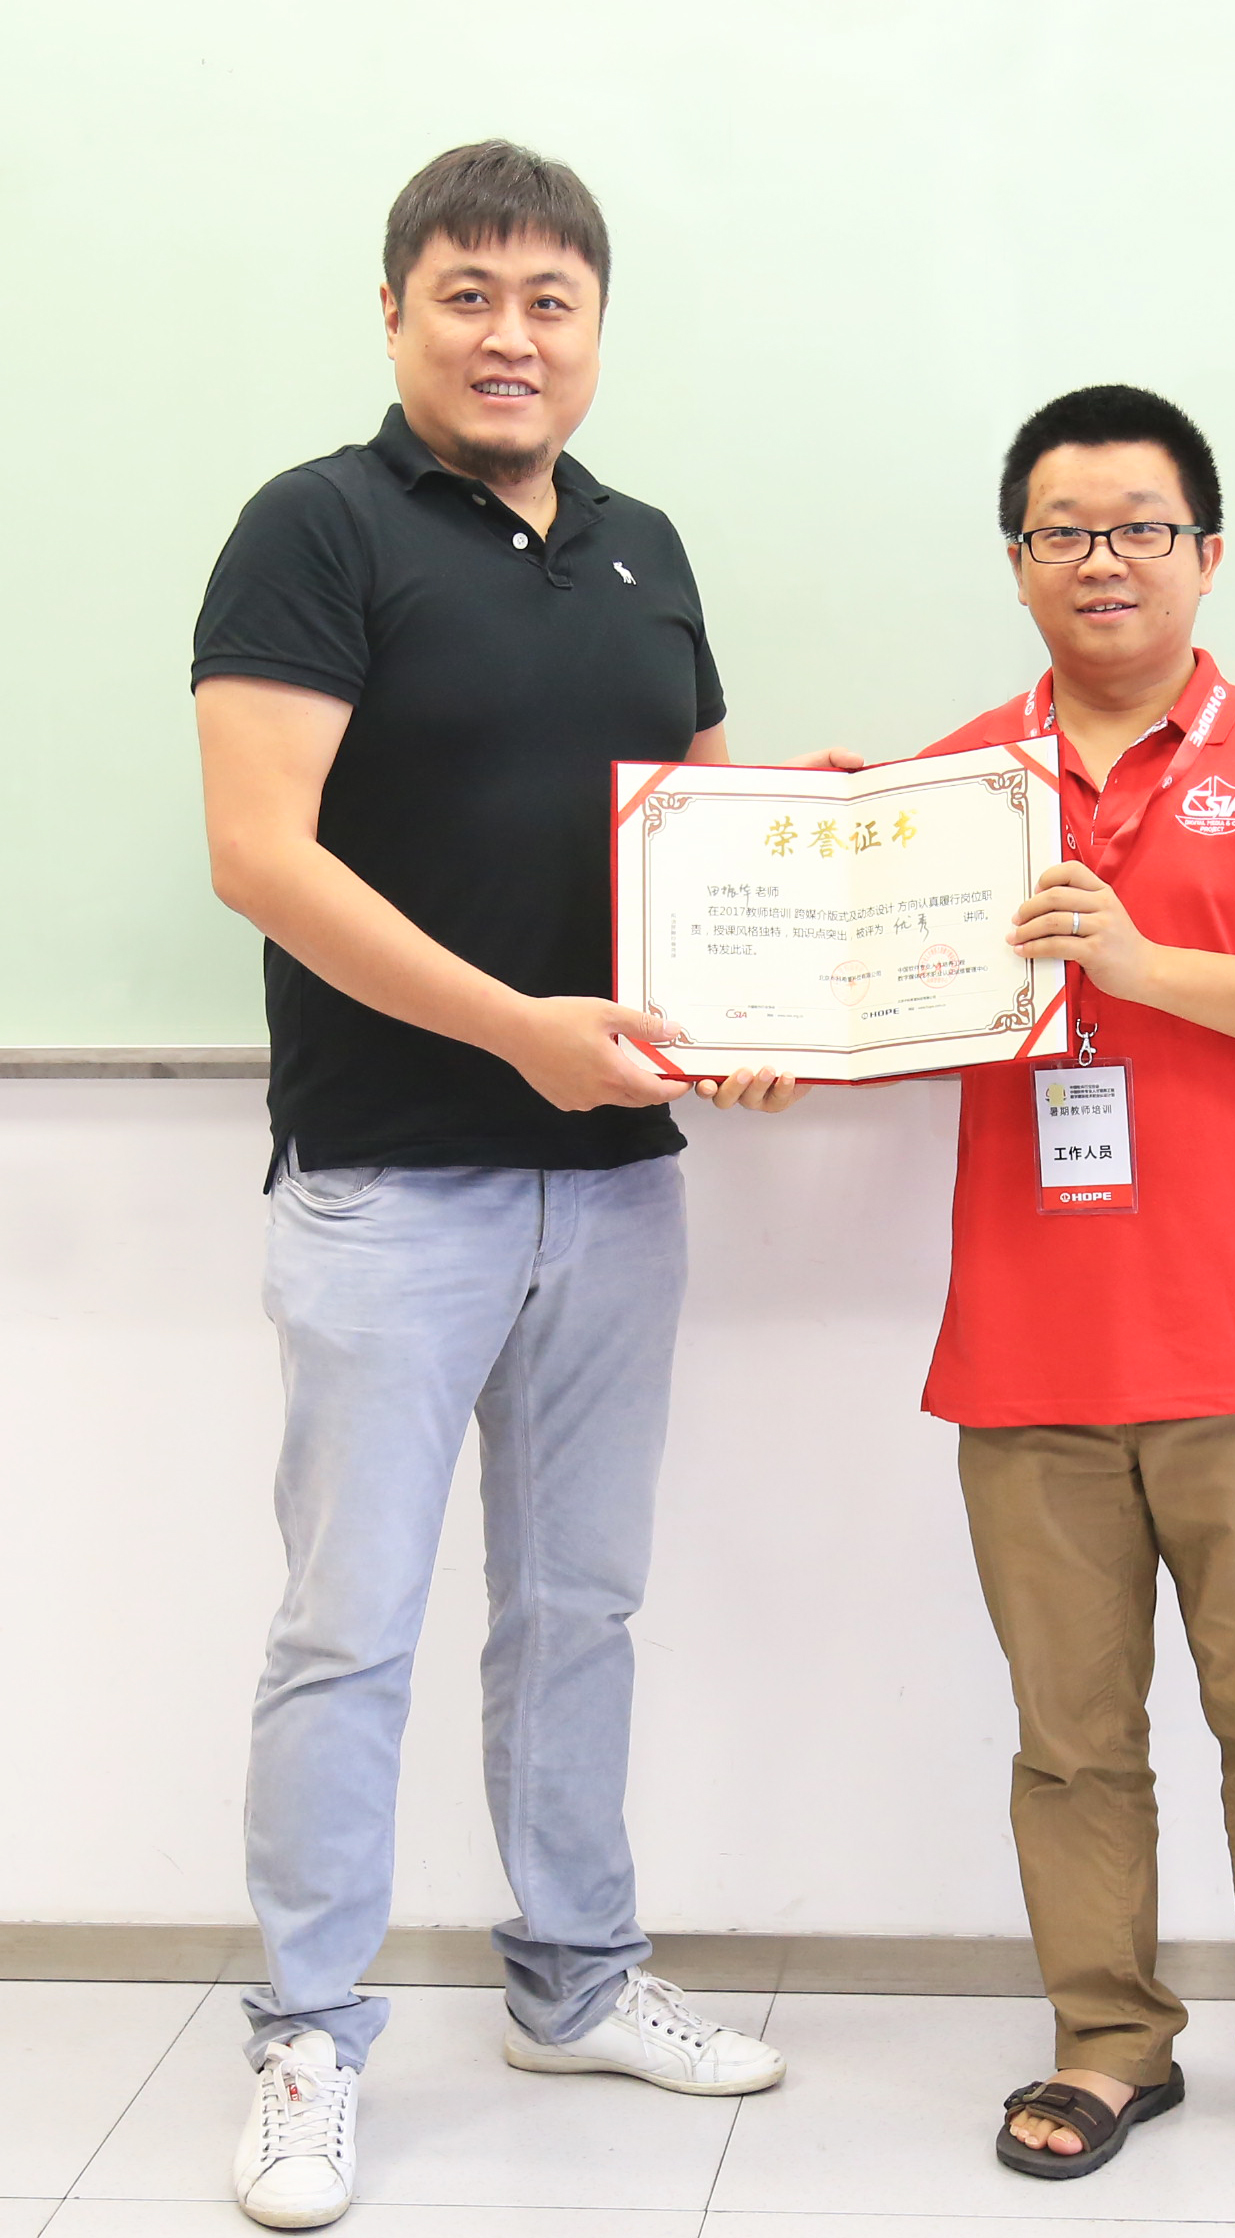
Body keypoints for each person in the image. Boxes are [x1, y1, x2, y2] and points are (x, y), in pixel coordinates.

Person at [195, 140, 851, 2230]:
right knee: (349, 1628)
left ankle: (573, 1978)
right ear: (397, 314)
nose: (510, 334)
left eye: (548, 298)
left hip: (618, 1187)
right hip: (395, 1185)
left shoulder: (646, 547)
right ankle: (308, 2037)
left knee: (579, 1609)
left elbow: (704, 836)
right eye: (467, 293)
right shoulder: (313, 525)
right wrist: (518, 1031)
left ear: (594, 329)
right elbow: (261, 855)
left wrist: (814, 903)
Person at [919, 386, 1235, 2191]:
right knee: (1071, 1746)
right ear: (1017, 563)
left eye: (1141, 526)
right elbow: (876, 993)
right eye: (1063, 530)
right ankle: (1108, 2040)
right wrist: (766, 1033)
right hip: (1027, 1350)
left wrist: (1141, 963)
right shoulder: (952, 789)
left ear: (1206, 553)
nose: (1103, 559)